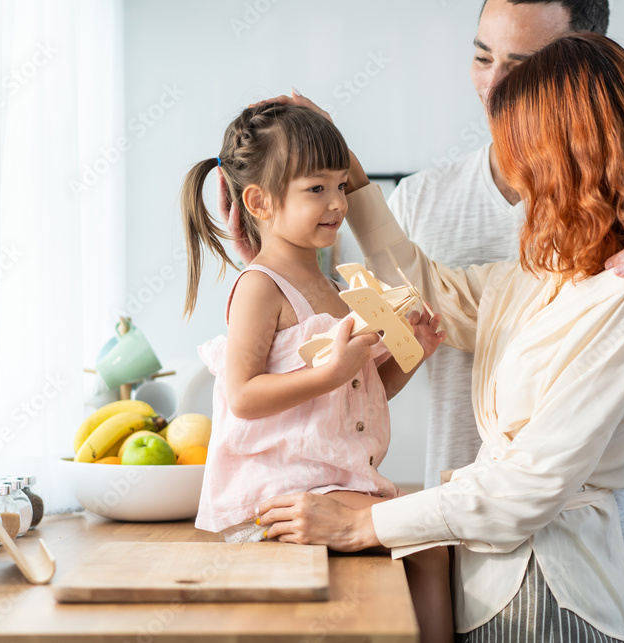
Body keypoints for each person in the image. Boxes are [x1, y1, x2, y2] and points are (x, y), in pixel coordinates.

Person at [258, 32, 624, 643]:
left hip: (558, 594)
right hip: (495, 586)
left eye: (520, 149)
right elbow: (430, 289)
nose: (512, 169)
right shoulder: (556, 266)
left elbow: (527, 489)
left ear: (568, 155)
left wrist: (363, 524)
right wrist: (354, 178)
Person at [386, 0, 624, 640]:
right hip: (457, 553)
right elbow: (409, 310)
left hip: (579, 566)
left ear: (582, 70)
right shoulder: (429, 205)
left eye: (521, 68)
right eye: (482, 56)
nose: (493, 86)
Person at [179, 103, 453, 643]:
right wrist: (331, 372)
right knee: (427, 541)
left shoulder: (334, 289)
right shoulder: (260, 287)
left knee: (430, 543)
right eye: (316, 190)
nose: (336, 203)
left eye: (341, 186)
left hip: (332, 486)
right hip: (275, 495)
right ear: (259, 201)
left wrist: (412, 352)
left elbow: (360, 392)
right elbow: (244, 396)